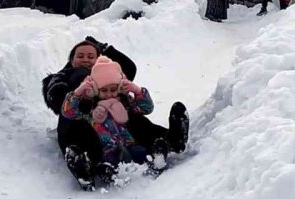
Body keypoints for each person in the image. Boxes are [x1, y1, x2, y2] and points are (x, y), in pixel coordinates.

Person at [41, 38, 189, 184]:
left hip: (115, 117)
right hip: (80, 117)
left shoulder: (107, 76)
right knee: (81, 135)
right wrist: (80, 95)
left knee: (136, 120)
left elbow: (129, 68)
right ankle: (84, 165)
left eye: (91, 56)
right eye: (80, 56)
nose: (85, 59)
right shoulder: (63, 75)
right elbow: (55, 93)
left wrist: (104, 48)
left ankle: (169, 141)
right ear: (71, 60)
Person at [61, 57, 155, 185]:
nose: (109, 94)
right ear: (95, 89)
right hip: (105, 149)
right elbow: (68, 112)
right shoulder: (90, 108)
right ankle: (104, 174)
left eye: (114, 89)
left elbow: (146, 108)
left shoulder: (124, 103)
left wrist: (137, 91)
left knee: (141, 152)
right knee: (107, 162)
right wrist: (78, 93)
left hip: (129, 143)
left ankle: (155, 161)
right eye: (104, 90)